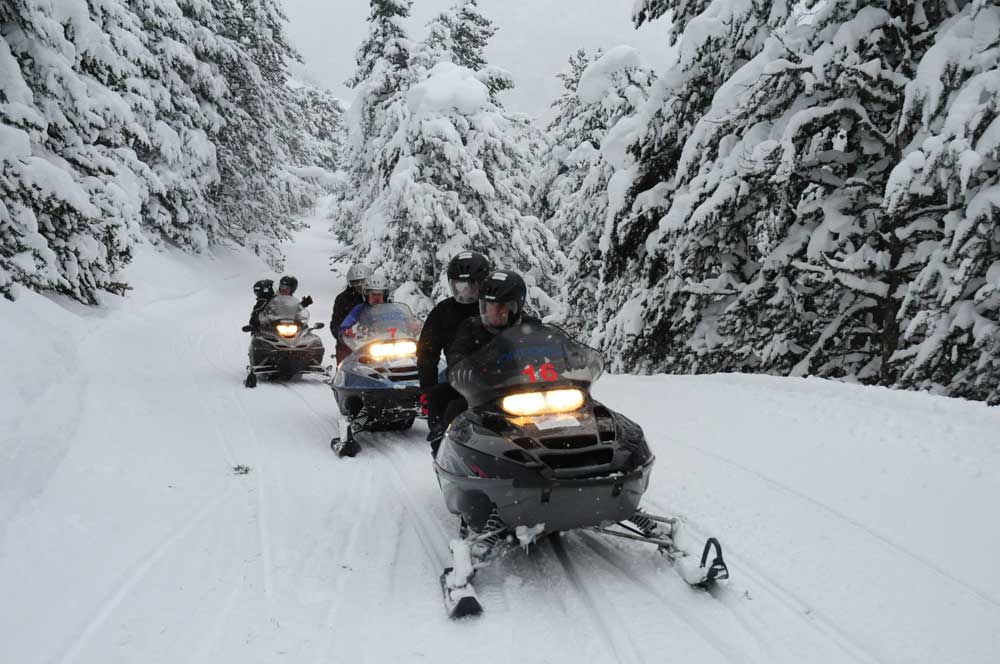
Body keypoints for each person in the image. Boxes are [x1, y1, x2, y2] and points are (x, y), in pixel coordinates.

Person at [429, 270, 540, 456]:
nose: (494, 311)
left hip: (524, 387)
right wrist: (461, 366)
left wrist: (571, 358)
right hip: (481, 389)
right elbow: (457, 351)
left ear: (515, 307)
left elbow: (550, 346)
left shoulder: (531, 327)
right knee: (445, 400)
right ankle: (445, 448)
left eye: (501, 306)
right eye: (489, 305)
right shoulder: (471, 326)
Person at [419, 251, 491, 442]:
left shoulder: (495, 307)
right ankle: (442, 442)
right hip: (462, 382)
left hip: (501, 377)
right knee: (444, 404)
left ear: (483, 284)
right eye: (460, 286)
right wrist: (427, 388)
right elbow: (427, 352)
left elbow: (521, 327)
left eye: (472, 286)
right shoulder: (443, 312)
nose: (465, 292)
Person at [331, 264, 371, 363]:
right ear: (350, 283)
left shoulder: (376, 295)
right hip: (349, 343)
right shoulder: (343, 299)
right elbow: (335, 323)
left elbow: (389, 313)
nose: (359, 285)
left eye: (363, 282)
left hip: (374, 340)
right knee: (344, 364)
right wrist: (342, 335)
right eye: (355, 282)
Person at [339, 274, 391, 340]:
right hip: (366, 343)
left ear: (385, 296)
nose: (376, 298)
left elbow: (404, 319)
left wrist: (407, 326)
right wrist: (346, 331)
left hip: (390, 340)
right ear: (366, 295)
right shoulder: (360, 309)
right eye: (373, 294)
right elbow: (346, 323)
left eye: (379, 294)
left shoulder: (392, 308)